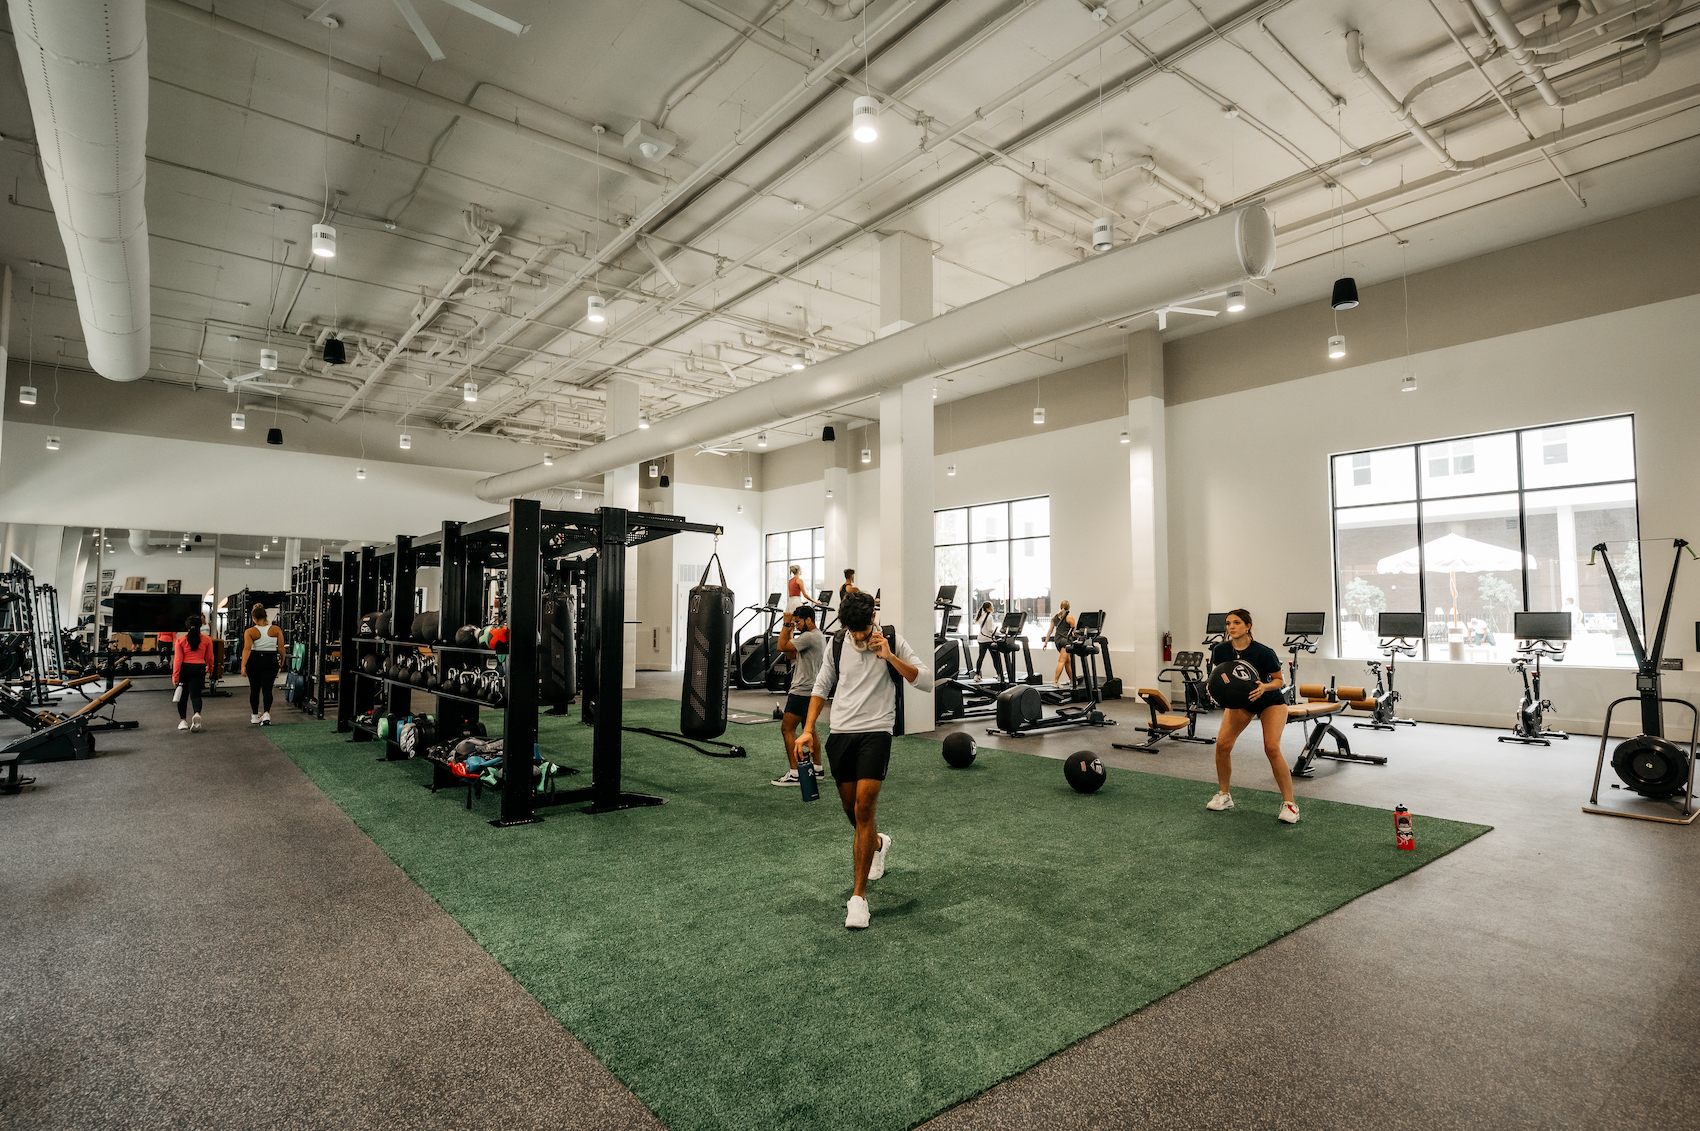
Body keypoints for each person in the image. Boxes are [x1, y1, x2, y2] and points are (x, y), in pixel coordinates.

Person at [797, 591, 925, 930]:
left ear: (873, 619)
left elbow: (924, 680)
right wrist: (808, 729)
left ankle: (859, 899)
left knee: (865, 808)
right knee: (852, 811)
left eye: (862, 631)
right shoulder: (838, 642)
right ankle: (878, 843)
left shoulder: (892, 639)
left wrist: (889, 657)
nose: (857, 637)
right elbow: (822, 684)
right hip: (841, 733)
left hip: (876, 732)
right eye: (851, 631)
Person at [1206, 608, 1300, 824]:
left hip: (1270, 702)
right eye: (1228, 623)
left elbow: (1280, 681)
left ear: (1248, 626)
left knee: (1272, 748)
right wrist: (1212, 689)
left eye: (1236, 623)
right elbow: (1217, 676)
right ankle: (1224, 795)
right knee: (1222, 745)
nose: (1231, 627)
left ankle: (1290, 805)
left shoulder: (1264, 652)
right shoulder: (1220, 650)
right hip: (1241, 703)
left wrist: (1264, 688)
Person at [771, 606, 826, 785]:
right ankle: (817, 769)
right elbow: (790, 654)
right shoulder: (818, 635)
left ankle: (795, 773)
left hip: (802, 691)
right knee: (808, 729)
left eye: (798, 622)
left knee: (787, 729)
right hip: (812, 690)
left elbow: (780, 646)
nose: (797, 625)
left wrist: (786, 625)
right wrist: (790, 629)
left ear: (809, 620)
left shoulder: (808, 636)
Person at [241, 602, 285, 725]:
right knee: (267, 689)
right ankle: (266, 714)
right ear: (266, 615)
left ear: (253, 618)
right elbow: (281, 647)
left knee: (254, 689)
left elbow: (247, 649)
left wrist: (243, 665)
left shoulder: (250, 631)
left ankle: (255, 715)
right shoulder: (276, 629)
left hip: (254, 661)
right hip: (270, 661)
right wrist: (282, 659)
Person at [172, 614, 214, 732]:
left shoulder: (181, 640)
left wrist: (175, 675)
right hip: (199, 668)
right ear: (200, 625)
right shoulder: (207, 639)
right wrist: (210, 669)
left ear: (187, 626)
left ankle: (183, 721)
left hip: (185, 668)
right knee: (196, 695)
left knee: (183, 696)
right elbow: (210, 657)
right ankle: (196, 713)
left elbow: (178, 660)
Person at [972, 601, 1005, 682]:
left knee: (980, 658)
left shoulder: (981, 616)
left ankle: (976, 675)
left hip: (981, 639)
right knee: (995, 658)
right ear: (987, 608)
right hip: (988, 640)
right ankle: (999, 675)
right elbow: (990, 630)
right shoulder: (989, 617)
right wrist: (999, 633)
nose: (993, 608)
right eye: (991, 606)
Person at [1044, 600, 1074, 686]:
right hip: (1065, 641)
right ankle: (1055, 681)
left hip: (1057, 641)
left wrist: (1046, 642)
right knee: (1061, 661)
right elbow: (1075, 632)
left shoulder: (1054, 618)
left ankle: (1072, 681)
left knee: (1067, 661)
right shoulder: (1070, 618)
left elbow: (1050, 631)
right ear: (1069, 607)